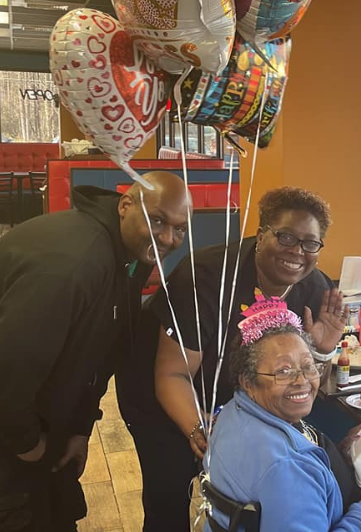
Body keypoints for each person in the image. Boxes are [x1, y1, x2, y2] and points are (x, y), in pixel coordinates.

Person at [117, 186, 345, 531]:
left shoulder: (314, 290)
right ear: (261, 230)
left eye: (309, 243)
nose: (297, 252)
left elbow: (306, 375)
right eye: (285, 237)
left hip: (238, 405)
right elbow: (172, 375)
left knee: (239, 498)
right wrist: (198, 427)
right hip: (165, 395)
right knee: (170, 496)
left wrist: (321, 351)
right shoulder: (206, 277)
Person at [0, 171, 191, 532]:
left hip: (46, 424)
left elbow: (102, 350)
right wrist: (27, 444)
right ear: (125, 205)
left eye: (180, 228)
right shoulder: (73, 264)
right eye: (158, 221)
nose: (168, 238)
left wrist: (79, 429)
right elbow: (10, 367)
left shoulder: (129, 256)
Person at [203, 297, 361, 531]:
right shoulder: (286, 468)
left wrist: (336, 456)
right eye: (283, 371)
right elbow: (286, 474)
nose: (302, 381)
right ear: (248, 381)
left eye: (308, 366)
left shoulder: (233, 412)